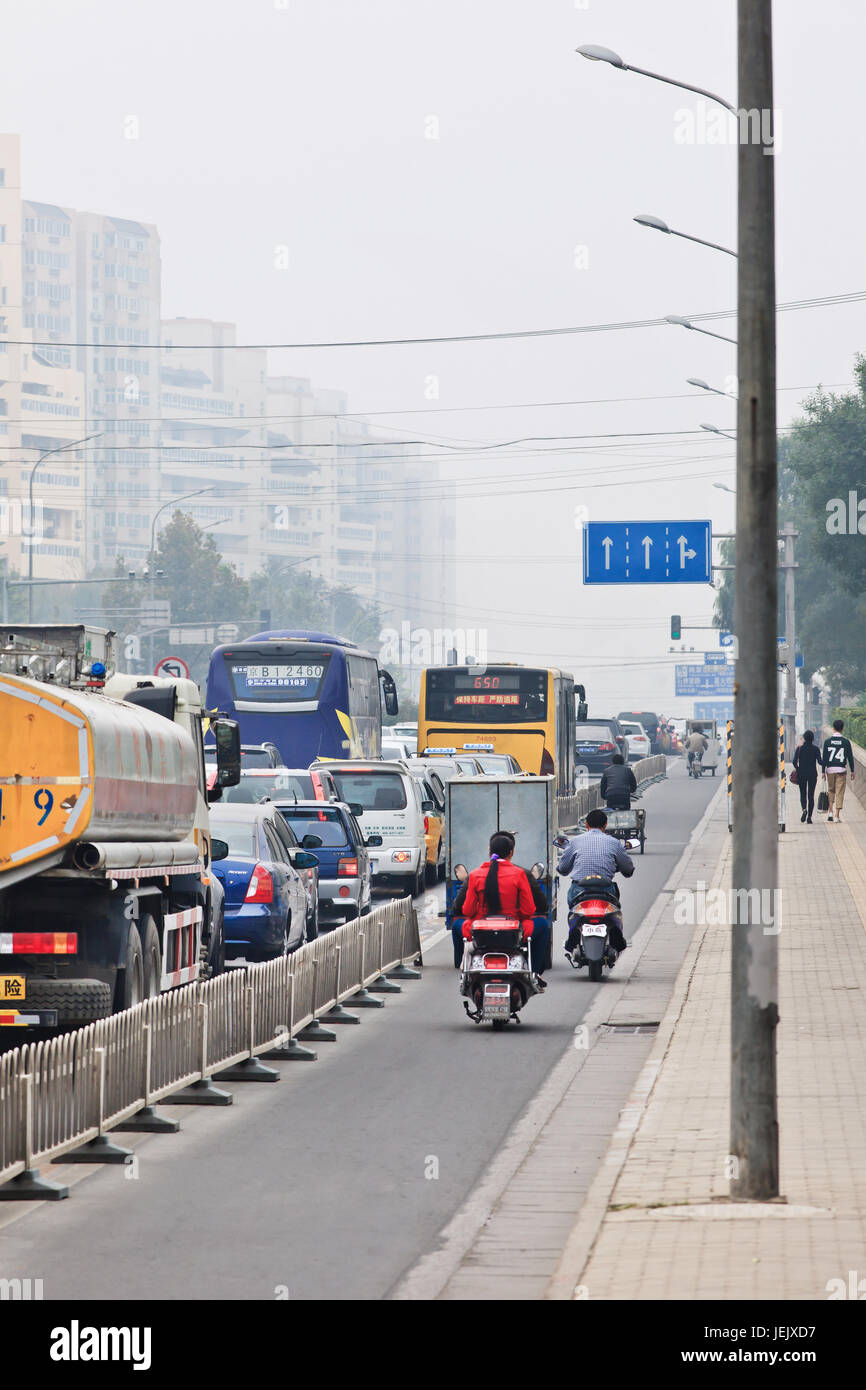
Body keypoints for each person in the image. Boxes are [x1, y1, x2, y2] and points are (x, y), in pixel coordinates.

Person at [452, 831, 549, 979]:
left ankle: (463, 967)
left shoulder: (475, 874)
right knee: (542, 924)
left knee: (456, 925)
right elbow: (529, 910)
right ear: (511, 852)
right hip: (512, 933)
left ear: (490, 852)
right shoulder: (519, 874)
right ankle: (534, 973)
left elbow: (467, 910)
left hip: (480, 934)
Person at [556, 808, 633, 953]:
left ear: (586, 824)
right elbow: (628, 869)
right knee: (614, 911)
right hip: (605, 890)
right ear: (605, 825)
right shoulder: (614, 843)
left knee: (574, 911)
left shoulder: (575, 842)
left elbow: (563, 869)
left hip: (579, 890)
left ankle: (575, 929)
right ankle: (615, 931)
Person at [821, 718, 855, 822]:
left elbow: (825, 758)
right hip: (841, 770)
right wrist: (852, 771)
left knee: (831, 790)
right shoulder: (845, 742)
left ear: (833, 728)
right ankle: (837, 816)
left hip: (830, 770)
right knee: (839, 792)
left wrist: (823, 771)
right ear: (842, 728)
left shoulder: (827, 742)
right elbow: (850, 757)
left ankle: (830, 812)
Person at [792, 729, 822, 823]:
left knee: (803, 794)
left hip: (802, 774)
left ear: (804, 738)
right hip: (812, 774)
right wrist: (828, 762)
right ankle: (809, 817)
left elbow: (794, 761)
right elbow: (820, 762)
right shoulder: (816, 749)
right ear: (813, 739)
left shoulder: (800, 748)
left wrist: (798, 769)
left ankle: (804, 810)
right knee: (811, 795)